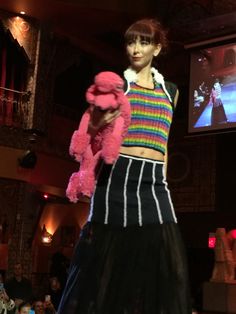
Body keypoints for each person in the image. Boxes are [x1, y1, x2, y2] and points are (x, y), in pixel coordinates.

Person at [58, 18, 191, 314]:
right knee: (103, 272)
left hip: (154, 183)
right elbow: (88, 132)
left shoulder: (171, 91)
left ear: (157, 47)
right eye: (131, 42)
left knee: (170, 270)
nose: (136, 48)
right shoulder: (117, 87)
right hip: (117, 179)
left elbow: (165, 143)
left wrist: (164, 182)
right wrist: (97, 123)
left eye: (144, 42)